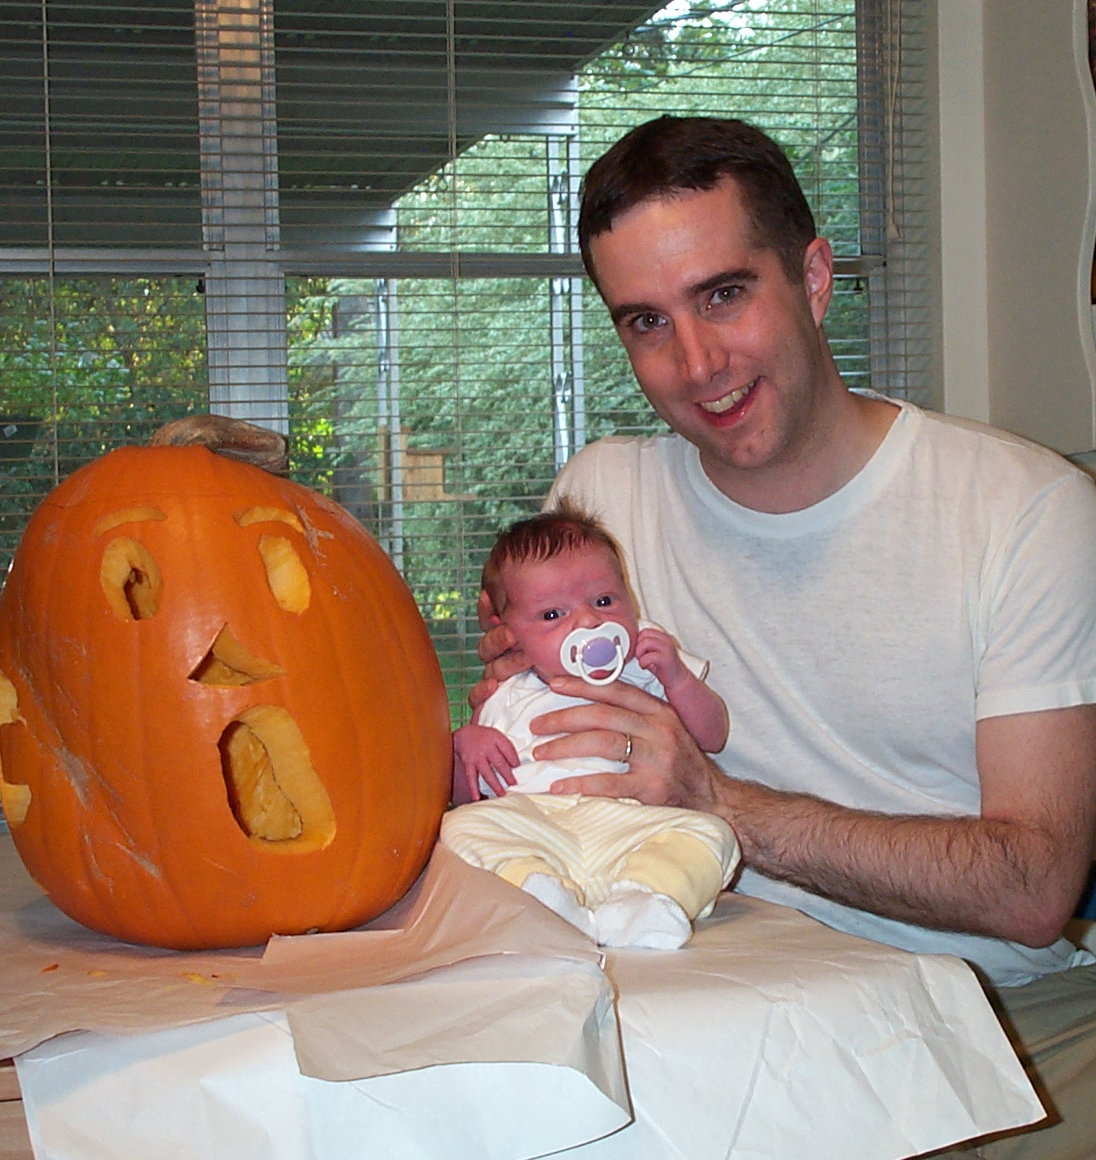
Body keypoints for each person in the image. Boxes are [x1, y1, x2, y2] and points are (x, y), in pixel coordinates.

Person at [474, 115, 1096, 1158]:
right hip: (687, 1004)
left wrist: (717, 805)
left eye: (723, 294)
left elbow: (1033, 885)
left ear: (810, 277)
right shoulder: (601, 501)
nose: (697, 362)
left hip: (986, 1024)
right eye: (644, 322)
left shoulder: (1024, 507)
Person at [441, 503, 739, 949]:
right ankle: (537, 893)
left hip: (627, 823)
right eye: (552, 615)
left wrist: (676, 677)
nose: (587, 621)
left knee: (711, 834)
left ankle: (644, 900)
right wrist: (468, 744)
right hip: (537, 823)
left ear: (629, 599)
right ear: (509, 634)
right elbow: (471, 794)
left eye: (603, 601)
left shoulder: (645, 666)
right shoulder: (507, 692)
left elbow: (713, 735)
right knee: (463, 829)